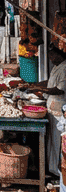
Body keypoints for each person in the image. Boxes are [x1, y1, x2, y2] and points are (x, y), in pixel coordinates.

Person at [22, 45, 66, 174]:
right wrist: (34, 85)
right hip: (51, 108)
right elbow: (49, 82)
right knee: (51, 141)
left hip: (59, 111)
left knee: (57, 142)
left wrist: (39, 89)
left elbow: (59, 89)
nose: (50, 59)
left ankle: (58, 171)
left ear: (59, 55)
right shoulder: (57, 67)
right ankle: (52, 168)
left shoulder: (65, 68)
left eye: (52, 56)